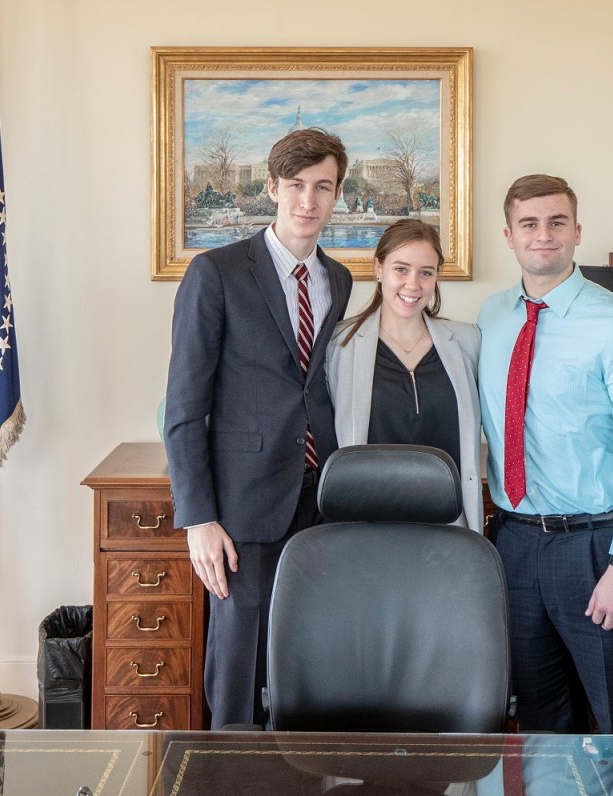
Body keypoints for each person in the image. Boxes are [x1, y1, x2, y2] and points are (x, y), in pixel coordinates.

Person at [164, 128, 353, 729]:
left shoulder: (340, 280)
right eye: (296, 185)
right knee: (239, 670)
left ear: (337, 195)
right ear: (271, 188)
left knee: (305, 659)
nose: (308, 200)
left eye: (323, 187)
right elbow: (184, 406)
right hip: (241, 506)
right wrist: (199, 517)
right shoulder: (215, 272)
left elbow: (315, 386)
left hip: (318, 496)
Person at [477, 174, 613, 735]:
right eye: (529, 224)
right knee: (538, 722)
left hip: (598, 548)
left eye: (557, 222)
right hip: (512, 543)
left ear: (577, 231)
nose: (544, 235)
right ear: (508, 236)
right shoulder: (492, 318)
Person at [326, 219, 483, 532]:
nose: (413, 284)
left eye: (426, 272)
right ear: (378, 269)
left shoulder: (468, 341)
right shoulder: (337, 346)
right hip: (367, 527)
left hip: (449, 528)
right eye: (401, 269)